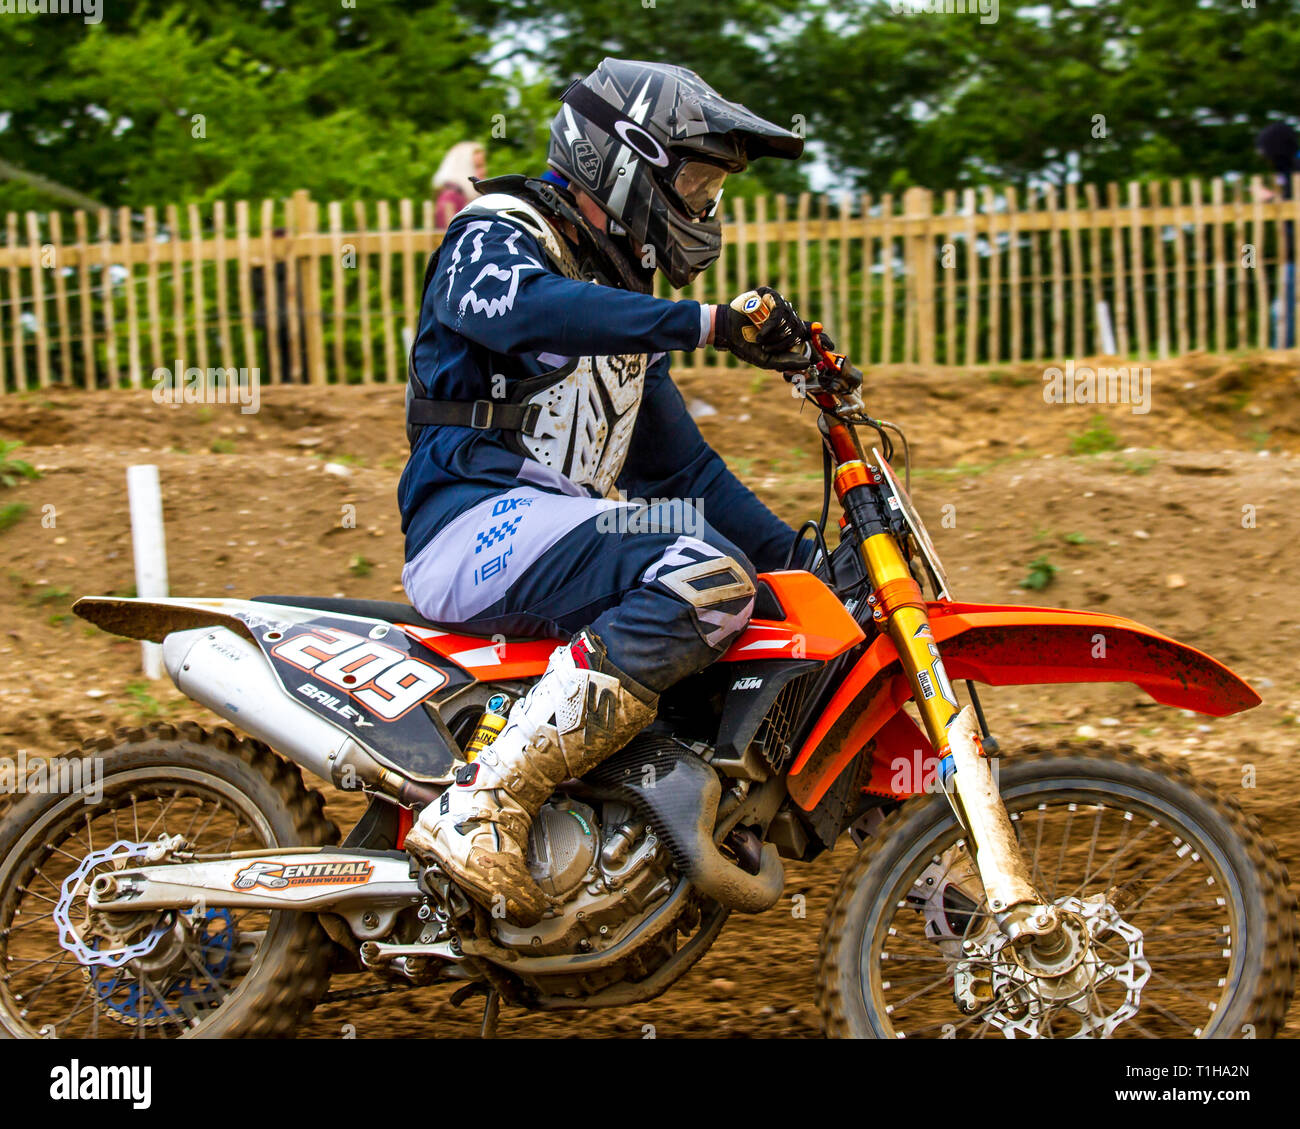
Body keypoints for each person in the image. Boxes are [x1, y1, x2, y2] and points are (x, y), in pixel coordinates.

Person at [399, 58, 811, 926]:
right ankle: (483, 804)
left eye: (712, 189)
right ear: (622, 161)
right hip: (472, 525)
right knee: (704, 576)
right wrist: (705, 326)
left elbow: (688, 479)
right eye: (694, 180)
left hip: (559, 536)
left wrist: (809, 566)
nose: (703, 207)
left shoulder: (617, 302)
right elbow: (527, 310)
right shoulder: (495, 231)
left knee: (768, 600)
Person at [1256, 123, 1297, 348]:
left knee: (1281, 309)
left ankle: (1281, 353)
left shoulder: (1295, 168)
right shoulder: (1287, 170)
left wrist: (1271, 200)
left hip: (1294, 257)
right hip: (1290, 254)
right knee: (1281, 308)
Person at [432, 141, 487, 229]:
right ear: (463, 168)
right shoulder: (450, 197)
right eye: (477, 166)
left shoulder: (464, 195)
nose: (484, 171)